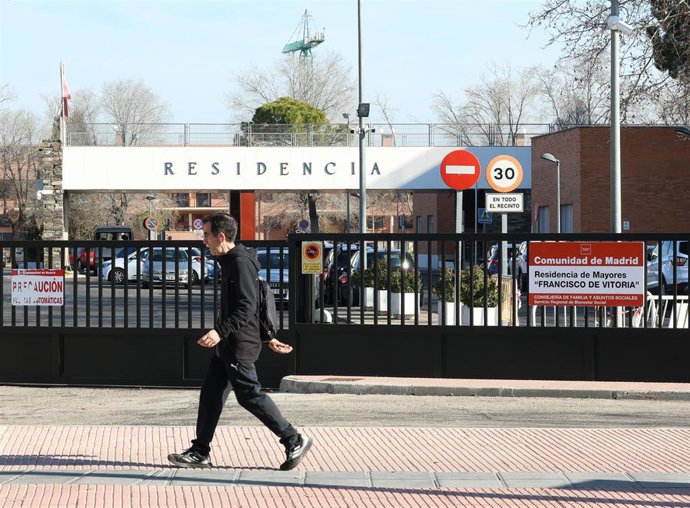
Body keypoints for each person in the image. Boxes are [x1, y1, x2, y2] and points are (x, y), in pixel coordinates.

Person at [168, 213, 312, 470]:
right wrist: (268, 338)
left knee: (249, 395)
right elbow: (254, 305)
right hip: (229, 345)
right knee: (211, 394)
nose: (205, 241)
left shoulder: (241, 263)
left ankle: (294, 438)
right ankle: (201, 451)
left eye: (207, 235)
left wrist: (219, 332)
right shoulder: (230, 261)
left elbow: (247, 307)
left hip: (238, 345)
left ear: (220, 236)